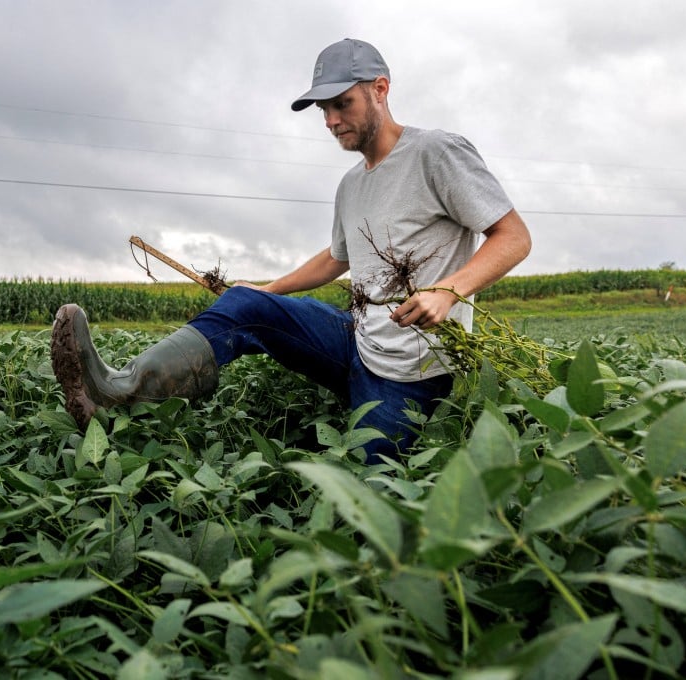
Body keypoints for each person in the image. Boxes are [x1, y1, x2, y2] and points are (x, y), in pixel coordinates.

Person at [51, 38, 531, 463]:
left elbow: (513, 237)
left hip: (412, 373)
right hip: (357, 341)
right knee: (244, 305)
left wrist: (448, 290)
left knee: (371, 479)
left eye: (341, 104)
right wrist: (268, 290)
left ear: (380, 90)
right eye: (323, 109)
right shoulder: (351, 184)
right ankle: (118, 391)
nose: (331, 120)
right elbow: (337, 258)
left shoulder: (436, 153)